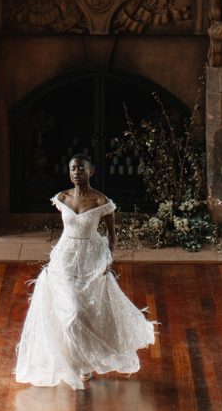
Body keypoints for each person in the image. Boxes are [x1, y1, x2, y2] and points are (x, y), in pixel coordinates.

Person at [15, 153, 156, 390]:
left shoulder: (102, 202)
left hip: (91, 258)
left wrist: (108, 259)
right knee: (71, 312)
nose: (76, 173)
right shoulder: (62, 197)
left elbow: (112, 235)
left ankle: (84, 362)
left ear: (91, 172)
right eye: (72, 169)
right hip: (65, 258)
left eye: (81, 169)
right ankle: (71, 360)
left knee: (85, 311)